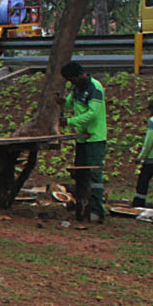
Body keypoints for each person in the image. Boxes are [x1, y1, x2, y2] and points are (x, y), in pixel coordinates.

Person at [60, 60, 107, 222]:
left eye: (73, 80)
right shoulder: (76, 88)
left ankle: (97, 210)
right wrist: (61, 102)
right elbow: (68, 104)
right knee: (80, 173)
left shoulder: (95, 88)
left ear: (80, 74)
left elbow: (92, 114)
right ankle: (82, 206)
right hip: (81, 138)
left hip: (95, 137)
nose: (72, 83)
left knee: (94, 174)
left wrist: (70, 121)